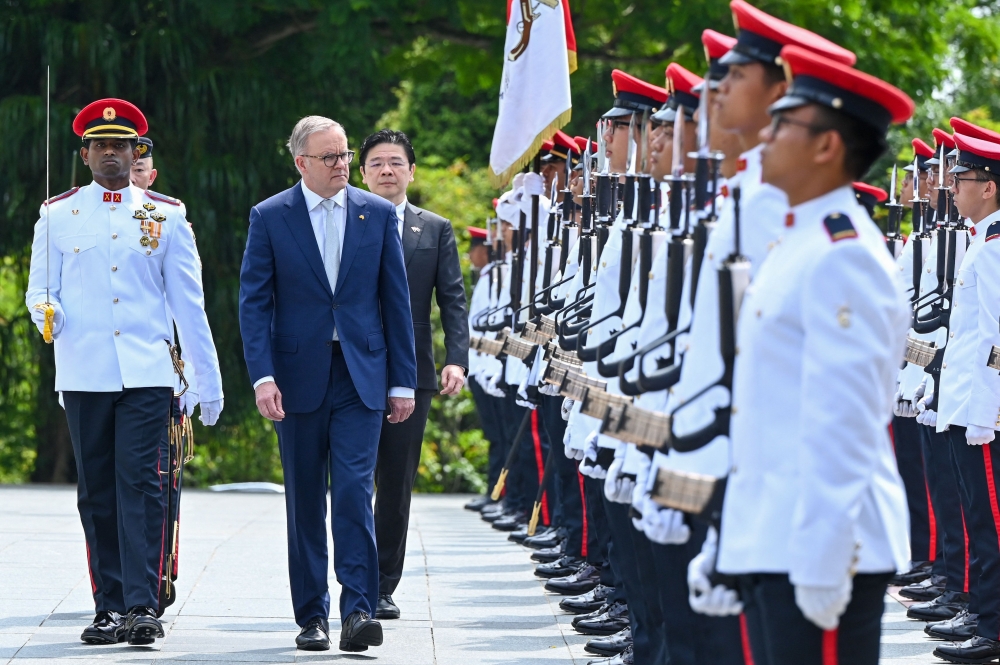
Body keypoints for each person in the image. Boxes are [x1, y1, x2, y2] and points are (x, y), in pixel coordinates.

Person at [715, 44, 913, 664]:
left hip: (822, 550)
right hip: (775, 536)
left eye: (784, 125)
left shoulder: (842, 255)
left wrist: (826, 559)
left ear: (827, 147)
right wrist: (731, 539)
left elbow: (845, 426)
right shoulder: (796, 241)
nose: (764, 136)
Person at [25, 98, 223, 646]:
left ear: (137, 151)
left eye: (121, 145)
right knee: (96, 492)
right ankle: (108, 606)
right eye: (100, 145)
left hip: (146, 370)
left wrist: (208, 381)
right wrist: (47, 310)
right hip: (85, 371)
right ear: (84, 153)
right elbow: (40, 288)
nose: (110, 153)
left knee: (143, 484)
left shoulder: (166, 214)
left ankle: (142, 605)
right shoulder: (57, 214)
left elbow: (189, 303)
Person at [238, 116, 417, 653]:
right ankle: (311, 615)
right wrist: (262, 376)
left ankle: (358, 609)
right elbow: (254, 303)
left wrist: (403, 381)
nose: (343, 165)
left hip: (362, 375)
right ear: (301, 164)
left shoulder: (376, 213)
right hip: (296, 378)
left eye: (343, 155)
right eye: (331, 158)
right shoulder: (271, 216)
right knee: (304, 498)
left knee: (356, 493)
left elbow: (396, 303)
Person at [357, 129, 469, 621]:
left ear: (411, 171)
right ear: (362, 172)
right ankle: (351, 578)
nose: (387, 170)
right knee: (353, 478)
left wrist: (455, 358)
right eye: (377, 162)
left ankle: (383, 583)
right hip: (353, 364)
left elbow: (453, 300)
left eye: (395, 162)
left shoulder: (436, 228)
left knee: (396, 480)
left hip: (414, 369)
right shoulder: (347, 222)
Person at [930, 129, 1000, 663]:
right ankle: (981, 611)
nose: (952, 187)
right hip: (961, 402)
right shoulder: (981, 238)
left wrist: (988, 411)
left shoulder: (995, 246)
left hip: (984, 410)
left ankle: (993, 624)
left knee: (989, 521)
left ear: (990, 187)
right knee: (976, 514)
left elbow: (998, 342)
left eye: (963, 179)